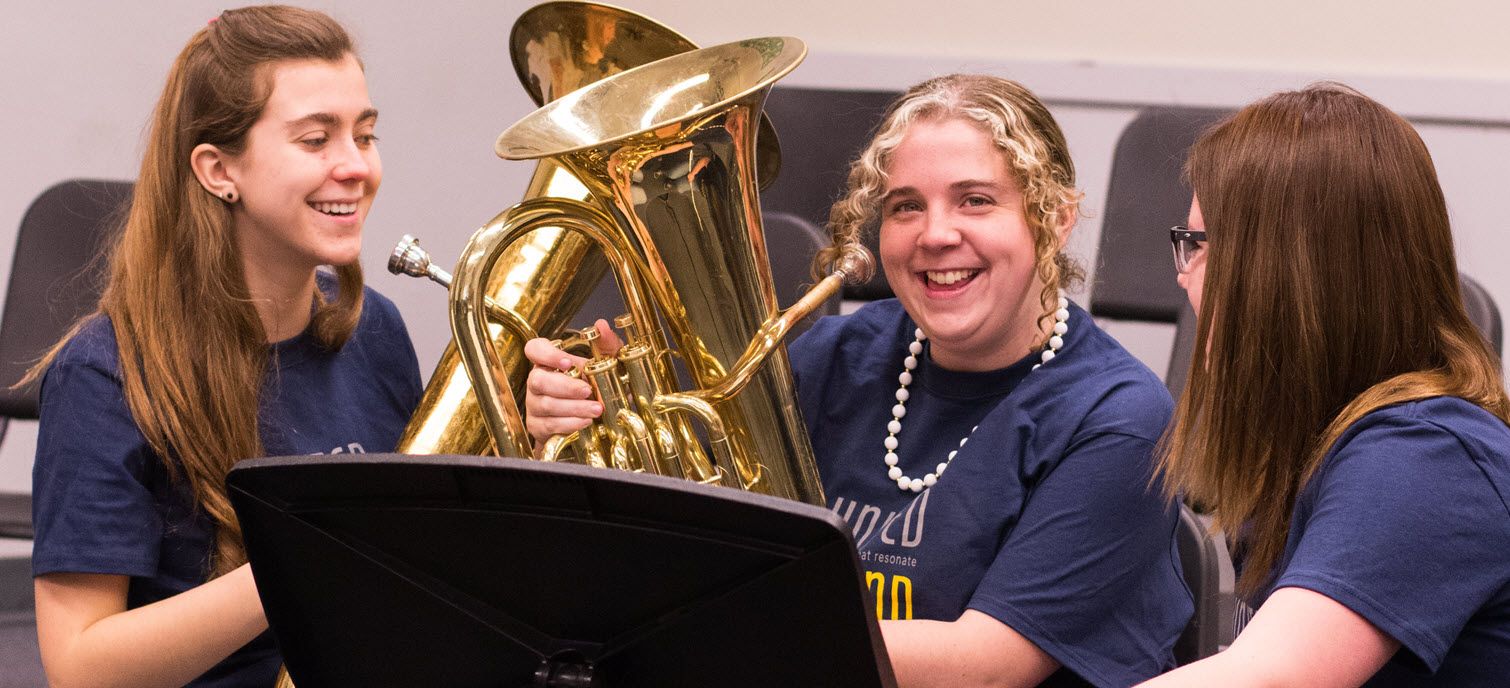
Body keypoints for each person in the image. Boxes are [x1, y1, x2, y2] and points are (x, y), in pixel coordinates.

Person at [525, 74, 1192, 687]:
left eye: (976, 200)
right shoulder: (839, 350)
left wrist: (720, 629)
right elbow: (699, 547)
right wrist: (595, 426)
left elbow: (983, 666)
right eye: (905, 207)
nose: (935, 234)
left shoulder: (1120, 416)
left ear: (1054, 217)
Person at [28, 6, 422, 687]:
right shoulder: (103, 374)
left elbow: (424, 561)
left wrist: (517, 443)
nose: (355, 166)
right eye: (315, 140)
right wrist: (306, 554)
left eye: (365, 135)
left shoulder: (373, 327)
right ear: (218, 170)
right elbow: (80, 668)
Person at [1142, 85, 1510, 687]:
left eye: (1200, 246)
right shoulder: (1318, 446)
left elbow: (1269, 680)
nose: (1185, 278)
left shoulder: (1427, 456)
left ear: (1283, 269)